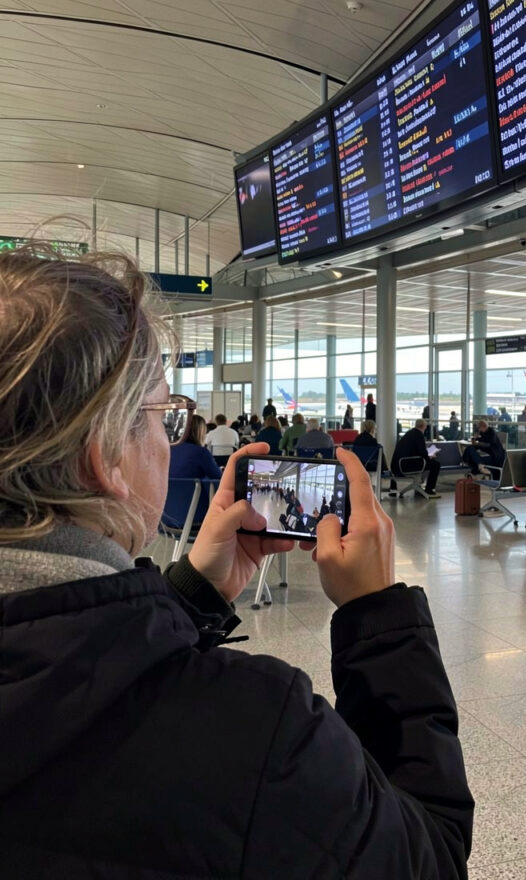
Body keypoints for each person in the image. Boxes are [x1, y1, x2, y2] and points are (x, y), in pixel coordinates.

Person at [0, 246, 473, 876]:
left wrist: (191, 595)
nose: (168, 442)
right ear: (105, 456)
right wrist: (378, 617)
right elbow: (430, 857)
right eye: (162, 418)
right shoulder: (255, 733)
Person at [167, 413, 222, 522]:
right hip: (195, 514)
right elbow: (218, 478)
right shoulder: (201, 453)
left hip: (166, 515)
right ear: (200, 432)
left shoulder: (168, 450)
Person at [392, 419, 441, 497]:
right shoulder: (419, 435)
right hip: (408, 464)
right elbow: (422, 452)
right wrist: (430, 456)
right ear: (423, 426)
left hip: (399, 464)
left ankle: (419, 485)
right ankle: (429, 489)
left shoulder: (409, 433)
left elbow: (415, 450)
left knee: (430, 462)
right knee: (435, 464)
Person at [352, 420, 398, 495]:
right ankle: (393, 491)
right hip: (371, 466)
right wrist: (385, 468)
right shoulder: (373, 441)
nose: (376, 431)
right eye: (375, 429)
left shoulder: (356, 440)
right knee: (380, 453)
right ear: (372, 429)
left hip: (358, 466)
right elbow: (379, 458)